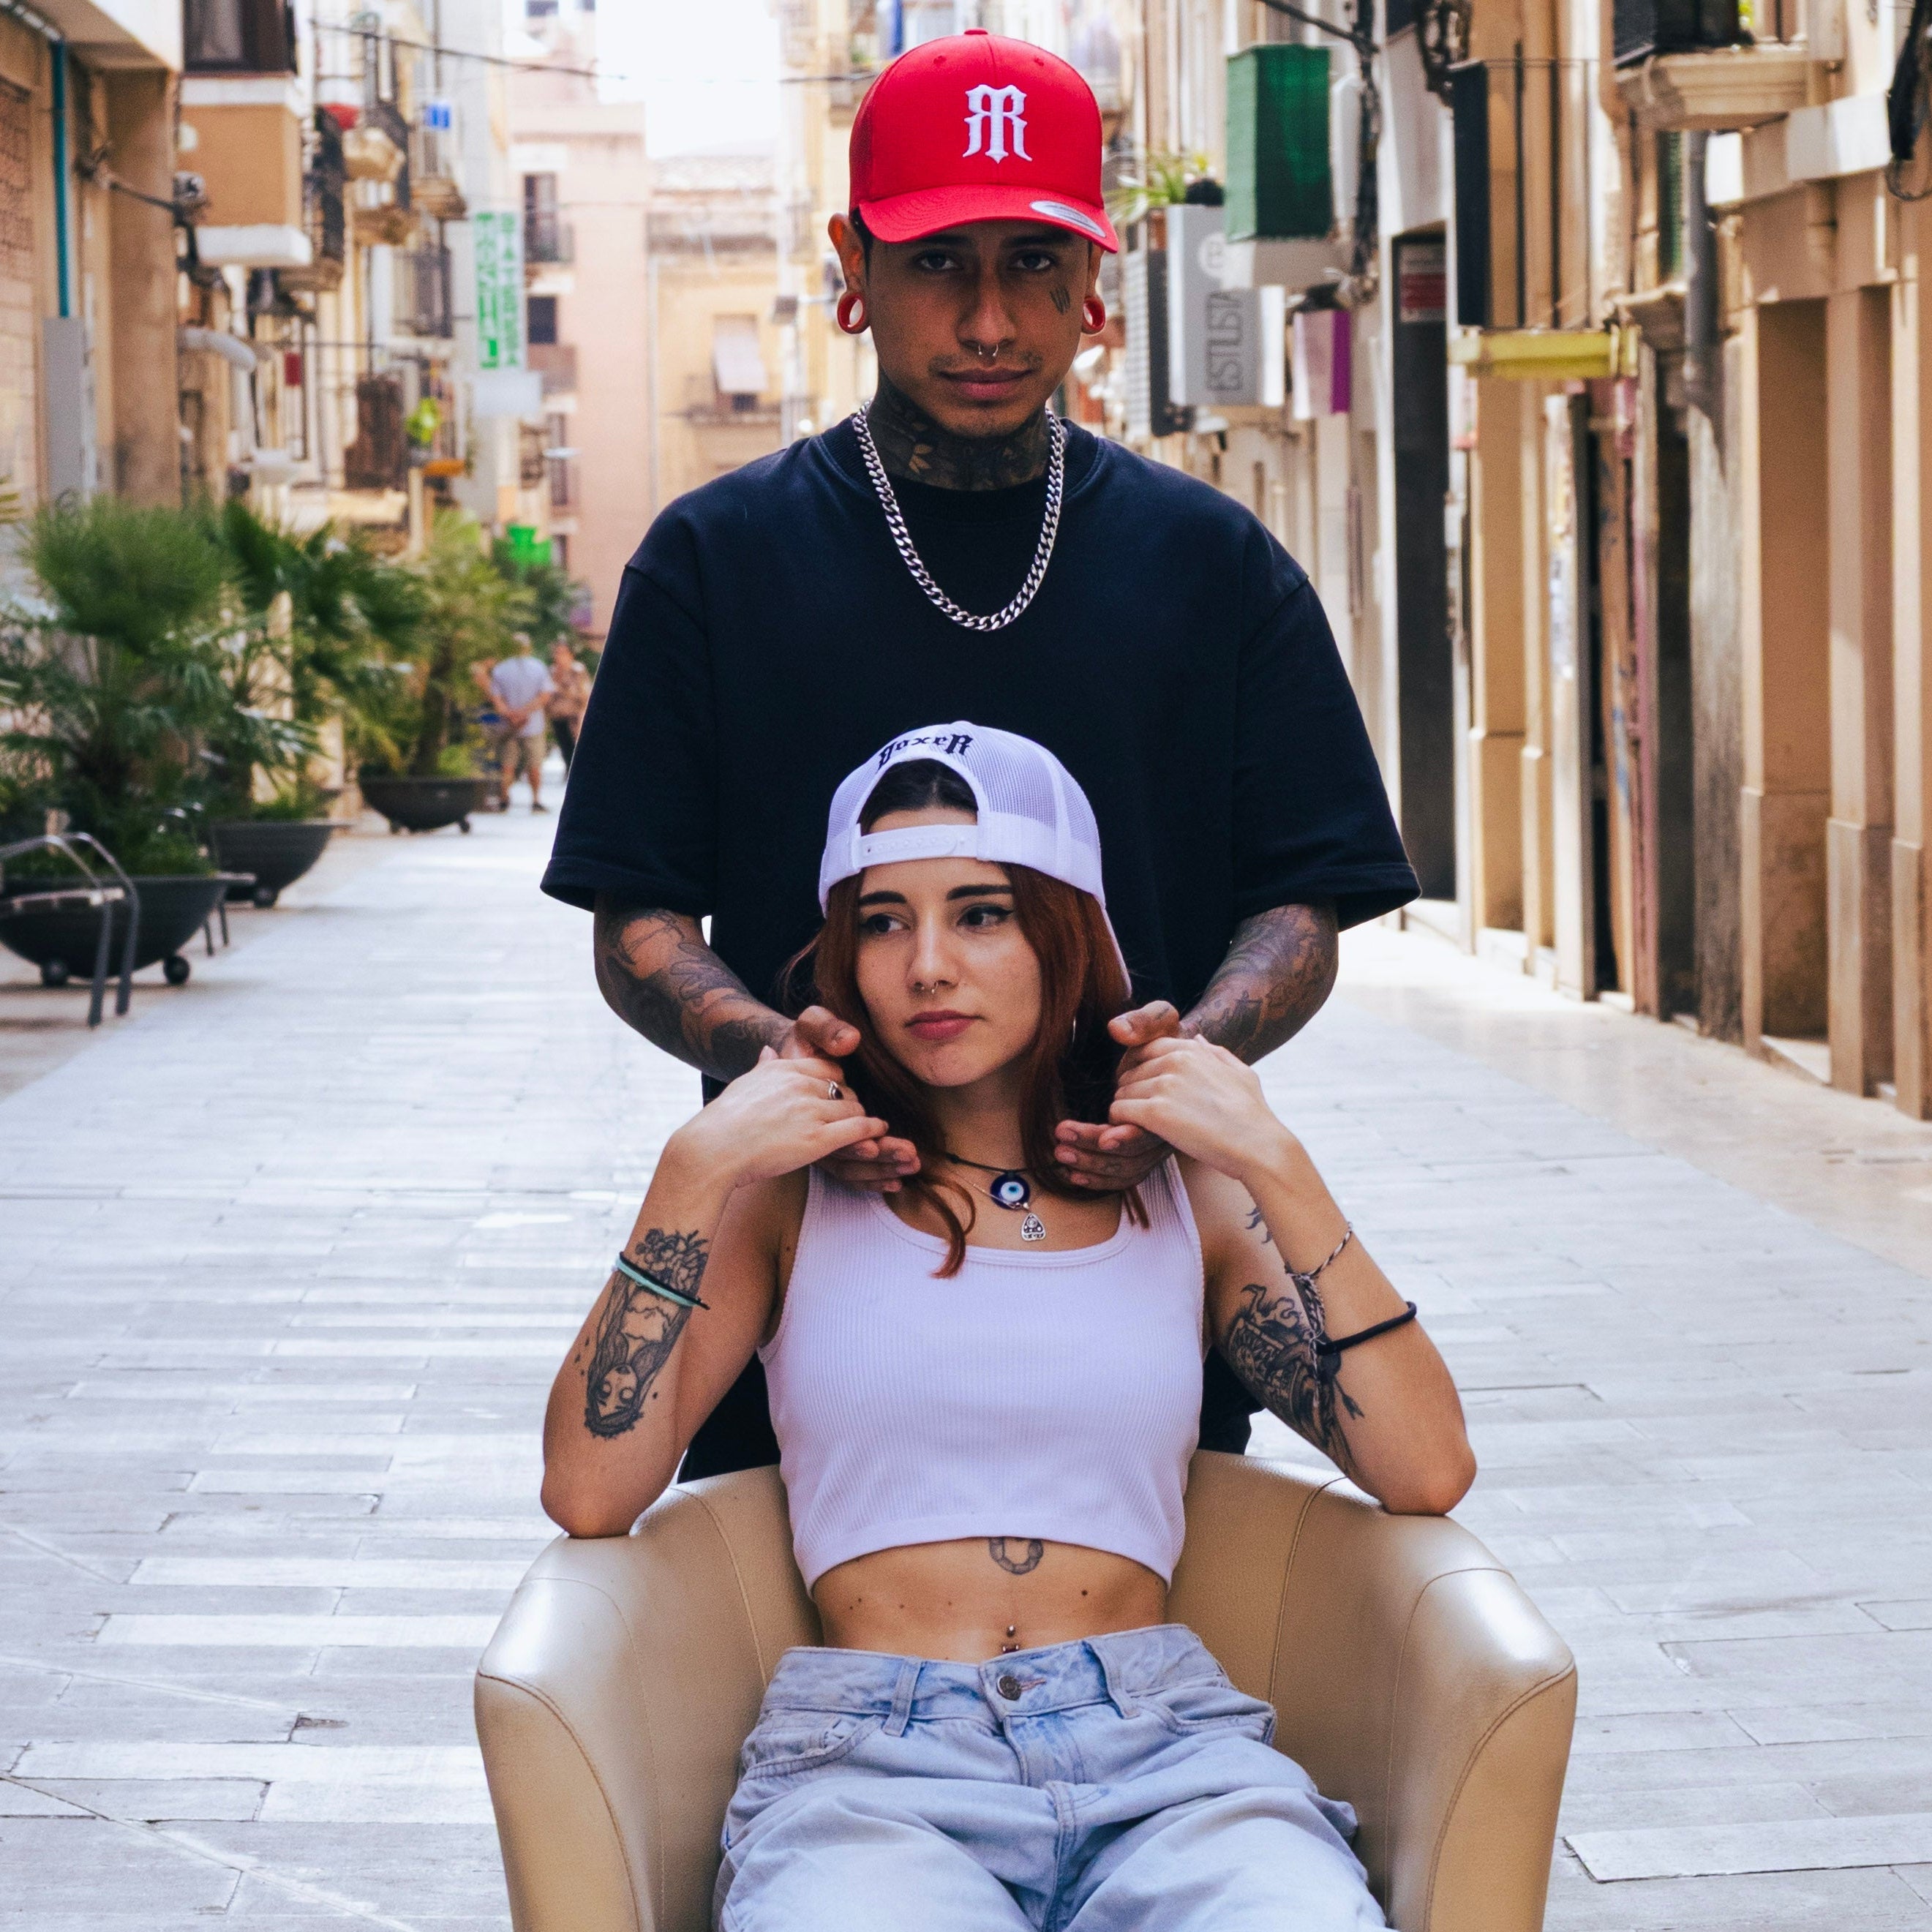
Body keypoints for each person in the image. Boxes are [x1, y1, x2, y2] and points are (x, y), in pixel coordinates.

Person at [542, 30, 1418, 1478]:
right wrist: (782, 1072)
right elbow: (637, 917)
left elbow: (1304, 899)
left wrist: (1184, 1072)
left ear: (1095, 281)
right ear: (854, 266)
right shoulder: (714, 563)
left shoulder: (1214, 565)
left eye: (1032, 262)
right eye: (940, 262)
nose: (992, 318)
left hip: (1137, 1318)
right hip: (789, 1304)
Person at [541, 727, 1473, 1932]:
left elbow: (1425, 1468)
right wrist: (692, 1170)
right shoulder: (786, 1198)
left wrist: (1273, 1161)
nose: (928, 966)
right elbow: (589, 1491)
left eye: (981, 914)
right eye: (883, 922)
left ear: (1065, 933)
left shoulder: (1184, 1193)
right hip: (874, 1769)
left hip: (1166, 1755)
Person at [489, 631, 555, 814]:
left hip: (508, 725)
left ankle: (504, 800)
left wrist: (511, 715)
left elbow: (496, 699)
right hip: (533, 725)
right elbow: (545, 696)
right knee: (534, 765)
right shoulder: (539, 667)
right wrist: (524, 713)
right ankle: (536, 800)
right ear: (528, 647)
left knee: (507, 764)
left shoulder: (500, 669)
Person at [546, 640, 592, 773]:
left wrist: (563, 690)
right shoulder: (551, 672)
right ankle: (569, 770)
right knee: (564, 747)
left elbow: (584, 695)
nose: (559, 656)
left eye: (563, 653)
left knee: (576, 747)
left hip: (574, 716)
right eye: (557, 653)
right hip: (557, 716)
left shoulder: (578, 671)